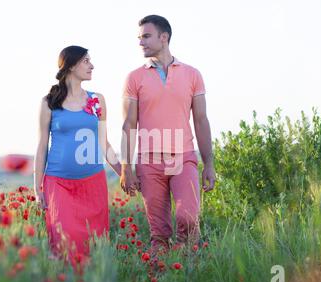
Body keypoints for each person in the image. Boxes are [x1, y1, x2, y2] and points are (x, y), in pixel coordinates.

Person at [120, 15, 216, 254]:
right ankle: (163, 281)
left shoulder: (192, 74)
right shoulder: (134, 78)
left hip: (183, 157)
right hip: (148, 161)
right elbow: (129, 124)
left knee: (188, 218)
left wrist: (209, 163)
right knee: (159, 233)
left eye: (146, 36)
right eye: (139, 38)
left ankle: (190, 273)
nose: (141, 42)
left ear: (164, 37)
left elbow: (201, 120)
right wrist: (126, 167)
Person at [33, 46, 121, 267]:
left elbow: (104, 144)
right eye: (86, 61)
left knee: (93, 246)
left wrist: (123, 173)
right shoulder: (49, 103)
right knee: (64, 241)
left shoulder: (97, 100)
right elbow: (42, 146)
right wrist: (37, 188)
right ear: (71, 65)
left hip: (93, 185)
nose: (91, 65)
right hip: (58, 184)